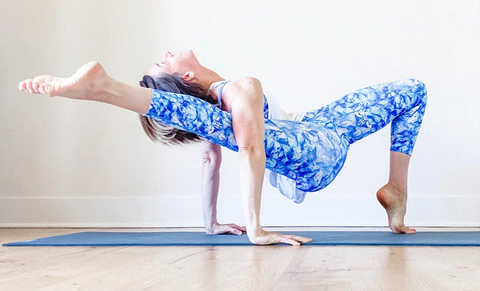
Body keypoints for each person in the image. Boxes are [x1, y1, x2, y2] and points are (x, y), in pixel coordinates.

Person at [18, 50, 427, 246]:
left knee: (413, 90)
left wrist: (210, 221)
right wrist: (255, 229)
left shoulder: (229, 103)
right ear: (187, 75)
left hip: (316, 130)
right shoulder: (239, 88)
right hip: (309, 154)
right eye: (163, 64)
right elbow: (245, 151)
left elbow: (211, 162)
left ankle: (397, 192)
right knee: (233, 128)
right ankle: (105, 89)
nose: (164, 55)